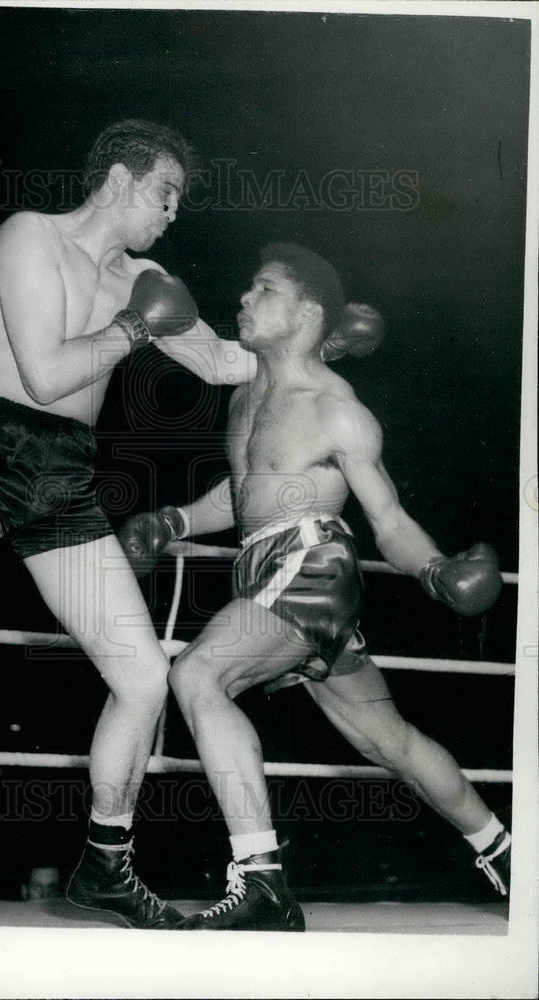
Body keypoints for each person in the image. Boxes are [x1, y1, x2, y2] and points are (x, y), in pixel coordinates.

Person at [0, 120, 255, 930]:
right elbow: (46, 370)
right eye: (166, 194)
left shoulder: (148, 276)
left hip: (64, 471)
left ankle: (105, 864)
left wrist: (303, 348)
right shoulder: (27, 235)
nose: (173, 214)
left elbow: (220, 363)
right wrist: (136, 326)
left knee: (142, 674)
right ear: (124, 181)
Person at [119, 242, 509, 930]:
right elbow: (245, 497)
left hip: (311, 563)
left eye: (262, 288)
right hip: (268, 567)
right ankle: (505, 853)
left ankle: (262, 878)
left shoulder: (334, 407)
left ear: (305, 312)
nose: (244, 298)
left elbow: (387, 519)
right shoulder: (247, 396)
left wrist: (434, 568)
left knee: (198, 677)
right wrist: (174, 517)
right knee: (387, 739)